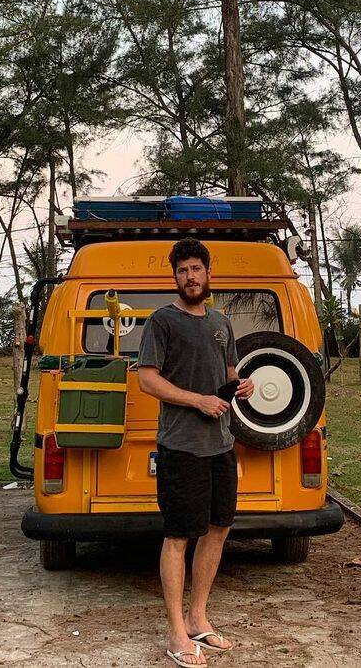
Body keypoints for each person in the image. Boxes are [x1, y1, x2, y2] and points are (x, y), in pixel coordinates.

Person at [137, 237, 255, 667]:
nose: (190, 276)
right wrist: (197, 400)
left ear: (208, 273)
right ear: (175, 277)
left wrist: (241, 385)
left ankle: (197, 618)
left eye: (196, 269)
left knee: (218, 529)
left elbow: (227, 373)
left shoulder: (221, 323)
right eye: (183, 270)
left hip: (220, 445)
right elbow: (146, 380)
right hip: (181, 446)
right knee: (178, 536)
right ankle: (174, 634)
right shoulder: (162, 322)